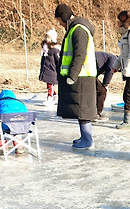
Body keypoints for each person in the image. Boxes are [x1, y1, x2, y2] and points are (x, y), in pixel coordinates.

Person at [55, 3, 98, 150]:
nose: (60, 24)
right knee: (80, 110)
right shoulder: (75, 28)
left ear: (64, 17)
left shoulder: (79, 30)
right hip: (80, 77)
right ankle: (84, 137)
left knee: (83, 109)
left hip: (82, 77)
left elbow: (80, 54)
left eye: (59, 20)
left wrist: (72, 75)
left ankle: (88, 140)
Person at [0, 89, 28, 154]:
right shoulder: (20, 102)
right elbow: (26, 115)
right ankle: (19, 147)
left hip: (6, 126)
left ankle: (2, 148)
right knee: (19, 123)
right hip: (22, 127)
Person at [94, 51, 120, 120]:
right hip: (88, 73)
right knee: (102, 91)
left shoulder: (106, 57)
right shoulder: (114, 59)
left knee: (94, 90)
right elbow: (110, 71)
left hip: (85, 72)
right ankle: (96, 114)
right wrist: (105, 84)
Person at [38, 29, 61, 106]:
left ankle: (50, 97)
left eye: (48, 37)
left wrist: (59, 69)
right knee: (49, 85)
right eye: (46, 37)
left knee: (50, 85)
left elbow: (58, 60)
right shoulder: (45, 49)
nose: (46, 39)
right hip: (46, 70)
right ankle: (55, 96)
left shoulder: (55, 50)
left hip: (52, 70)